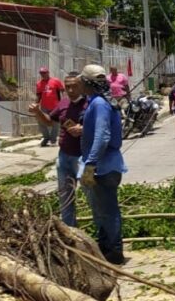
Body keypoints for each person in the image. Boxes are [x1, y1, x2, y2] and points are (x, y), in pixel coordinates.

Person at [77, 64, 127, 265]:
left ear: (87, 83)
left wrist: (90, 164)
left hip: (103, 167)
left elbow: (102, 136)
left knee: (107, 210)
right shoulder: (102, 102)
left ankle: (114, 252)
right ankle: (105, 247)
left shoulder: (98, 104)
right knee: (102, 210)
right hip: (108, 165)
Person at [28, 72, 87, 227]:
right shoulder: (63, 104)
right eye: (68, 87)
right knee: (65, 197)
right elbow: (49, 122)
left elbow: (101, 127)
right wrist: (38, 112)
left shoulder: (91, 104)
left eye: (75, 86)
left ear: (81, 86)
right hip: (64, 157)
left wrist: (83, 129)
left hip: (83, 158)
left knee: (91, 195)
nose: (71, 90)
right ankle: (69, 230)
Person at [34, 67, 63, 146]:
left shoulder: (56, 81)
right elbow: (38, 95)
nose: (43, 74)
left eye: (44, 73)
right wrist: (35, 104)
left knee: (55, 124)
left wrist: (63, 102)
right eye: (41, 73)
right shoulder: (39, 84)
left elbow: (62, 91)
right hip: (44, 106)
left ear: (48, 73)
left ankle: (53, 140)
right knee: (41, 122)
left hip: (55, 106)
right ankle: (46, 137)